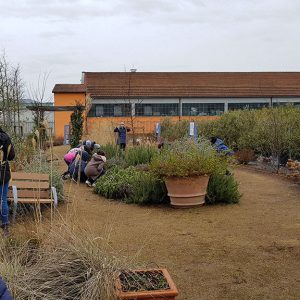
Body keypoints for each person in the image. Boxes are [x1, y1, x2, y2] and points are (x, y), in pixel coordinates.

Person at [0, 128, 15, 236]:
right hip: (4, 172)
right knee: (3, 199)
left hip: (3, 172)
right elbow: (11, 156)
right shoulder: (6, 137)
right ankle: (5, 225)